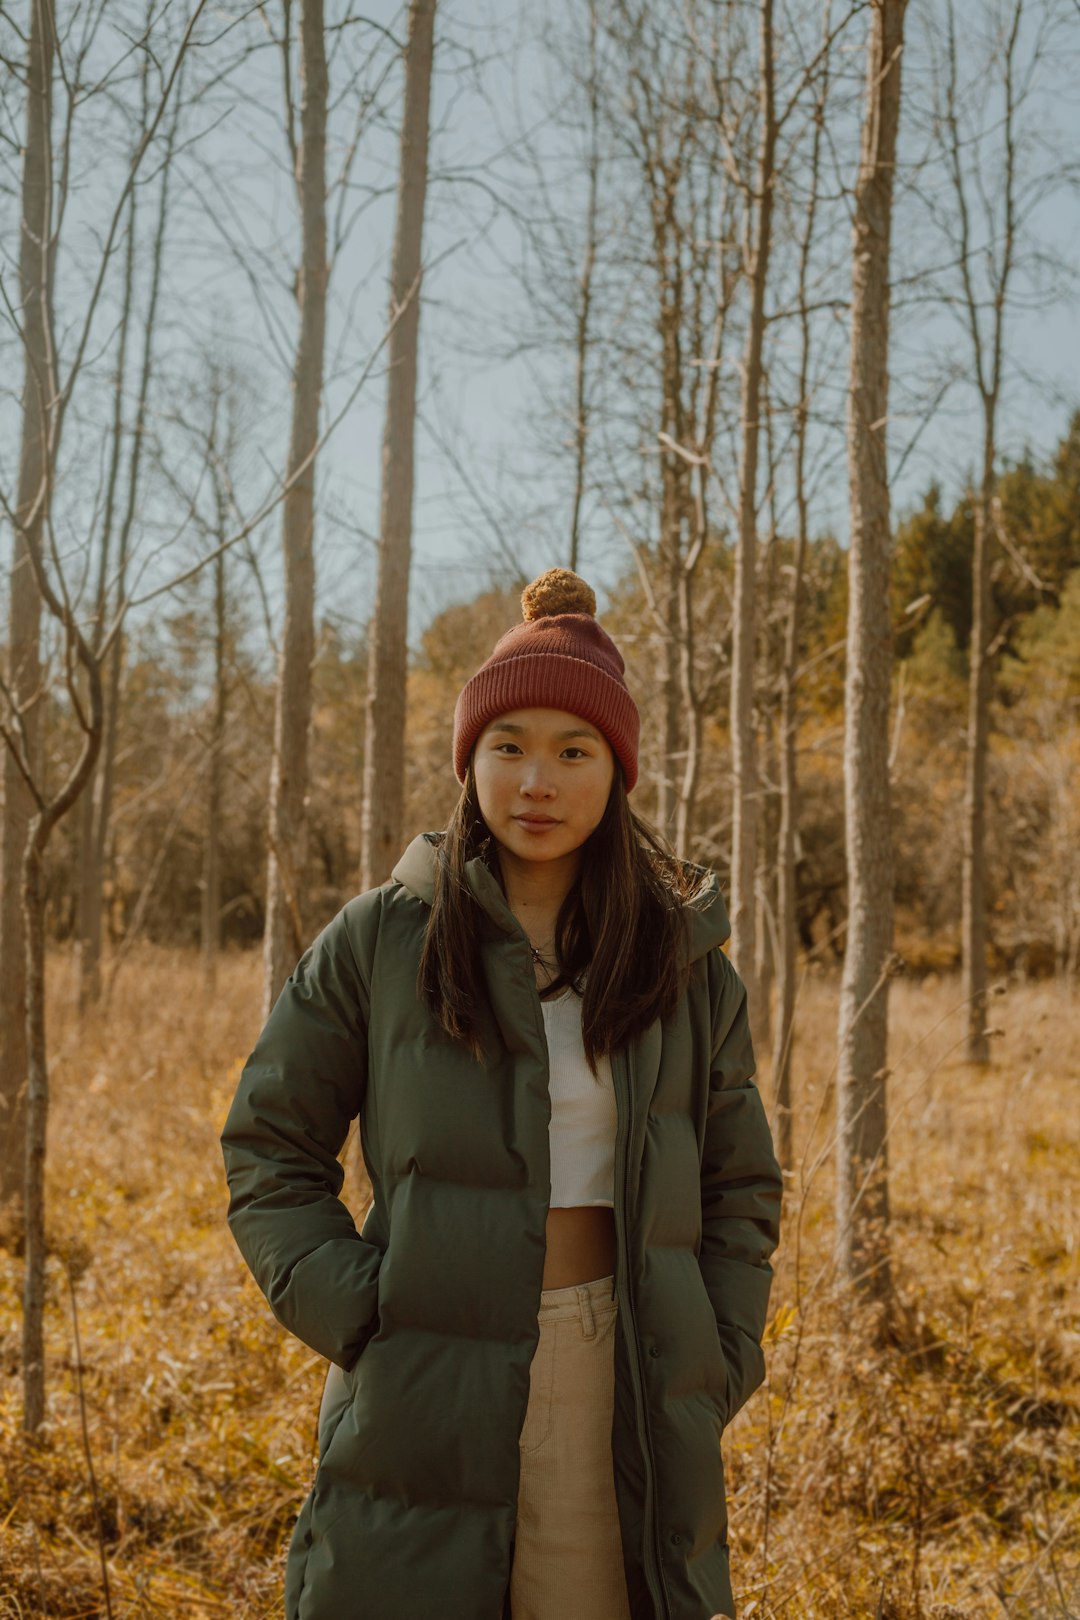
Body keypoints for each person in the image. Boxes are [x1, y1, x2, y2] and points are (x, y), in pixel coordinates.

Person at [219, 567, 783, 1620]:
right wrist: (361, 1309)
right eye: (508, 745)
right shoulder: (385, 937)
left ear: (615, 772)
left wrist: (718, 1352)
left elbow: (740, 1181)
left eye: (574, 752)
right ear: (468, 760)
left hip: (619, 1360)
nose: (538, 780)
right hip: (423, 1360)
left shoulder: (682, 961)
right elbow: (269, 1145)